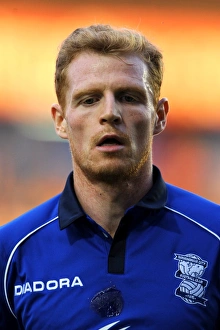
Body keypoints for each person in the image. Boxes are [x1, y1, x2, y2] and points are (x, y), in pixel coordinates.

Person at [0, 24, 219, 330]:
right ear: (61, 121)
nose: (110, 113)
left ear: (160, 115)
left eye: (128, 97)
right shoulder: (11, 252)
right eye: (89, 100)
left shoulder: (214, 236)